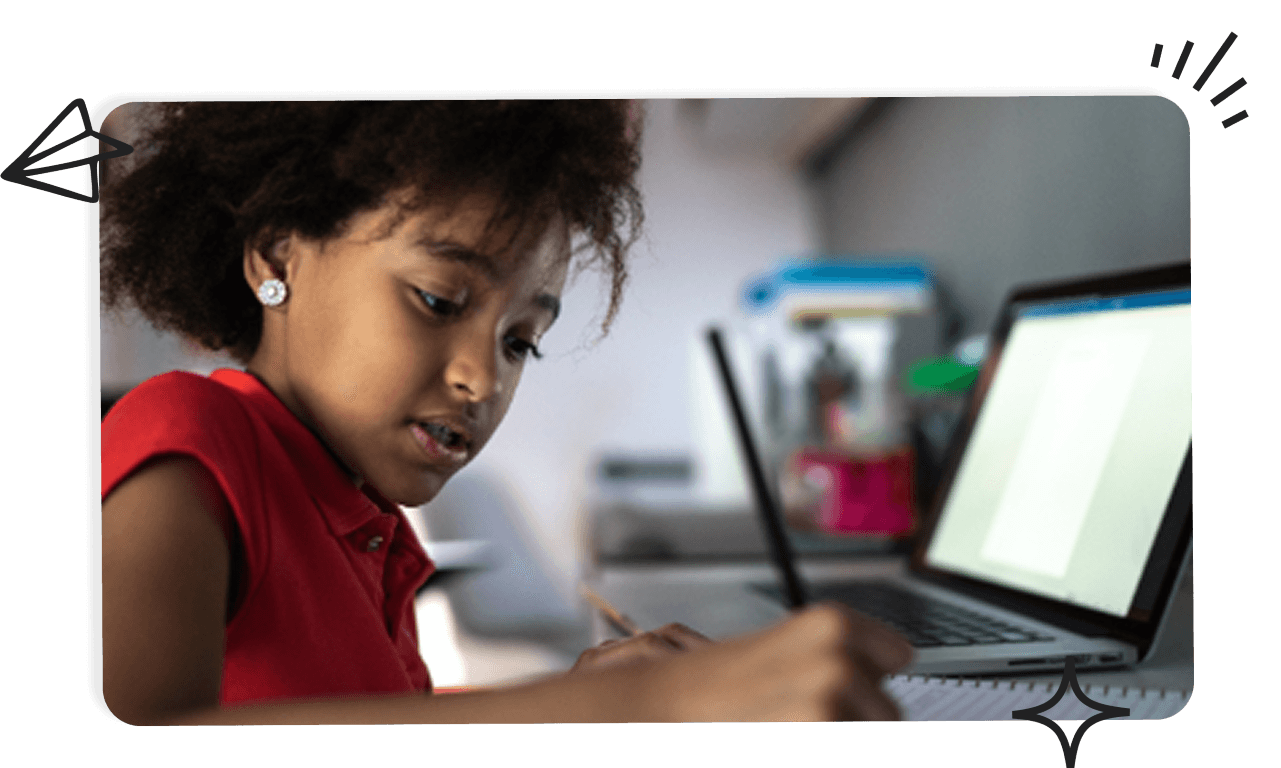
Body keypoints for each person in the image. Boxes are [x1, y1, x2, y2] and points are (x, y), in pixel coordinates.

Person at [98, 99, 912, 725]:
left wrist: (568, 695)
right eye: (438, 299)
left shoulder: (366, 526)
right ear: (277, 256)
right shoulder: (187, 435)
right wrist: (630, 704)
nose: (480, 379)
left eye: (521, 342)